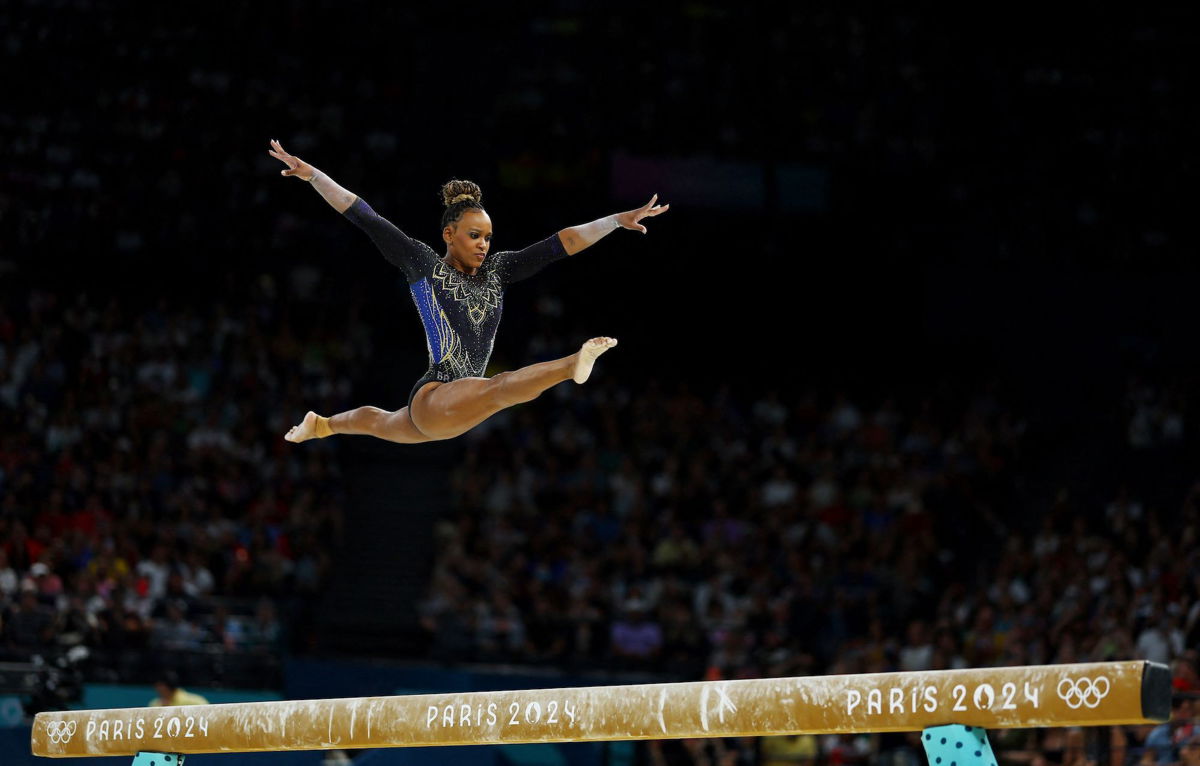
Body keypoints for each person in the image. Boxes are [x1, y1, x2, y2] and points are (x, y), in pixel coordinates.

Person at [267, 139, 668, 444]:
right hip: (436, 393)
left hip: (454, 409)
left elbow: (559, 244)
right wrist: (313, 174)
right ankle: (571, 365)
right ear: (448, 234)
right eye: (474, 235)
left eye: (488, 237)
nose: (483, 244)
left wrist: (615, 220)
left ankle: (320, 425)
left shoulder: (499, 269)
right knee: (499, 387)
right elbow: (366, 216)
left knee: (378, 421)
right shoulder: (423, 264)